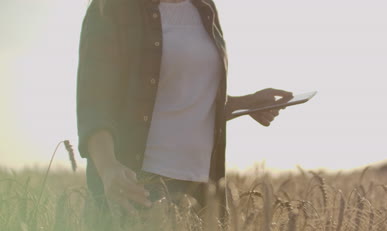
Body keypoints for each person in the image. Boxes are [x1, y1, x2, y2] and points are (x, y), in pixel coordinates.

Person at [76, 0, 293, 217]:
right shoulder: (114, 8)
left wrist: (246, 103)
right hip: (140, 183)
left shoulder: (204, 8)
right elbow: (95, 102)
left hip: (202, 188)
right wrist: (108, 167)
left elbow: (186, 96)